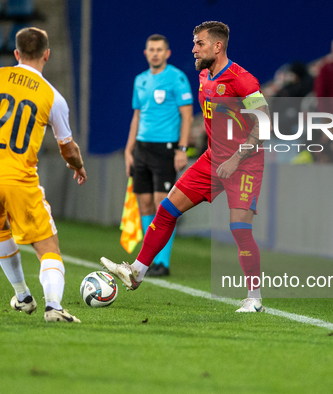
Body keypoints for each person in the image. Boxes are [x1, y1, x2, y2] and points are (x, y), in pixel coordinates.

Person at [102, 21, 269, 313]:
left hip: (245, 164)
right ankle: (137, 271)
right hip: (212, 159)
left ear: (218, 46)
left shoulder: (243, 80)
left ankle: (254, 298)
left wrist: (235, 158)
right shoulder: (204, 75)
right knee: (167, 210)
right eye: (194, 43)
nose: (193, 49)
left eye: (199, 43)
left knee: (240, 229)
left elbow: (264, 123)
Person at [0, 27, 86, 323]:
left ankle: (23, 296)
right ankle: (53, 306)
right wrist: (77, 166)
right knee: (47, 247)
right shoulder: (53, 96)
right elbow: (68, 147)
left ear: (17, 54)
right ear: (47, 55)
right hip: (18, 181)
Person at [125, 34, 193, 277]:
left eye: (159, 49)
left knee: (161, 205)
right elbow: (137, 116)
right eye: (151, 49)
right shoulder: (140, 80)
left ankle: (161, 263)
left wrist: (182, 149)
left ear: (167, 53)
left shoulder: (177, 78)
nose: (155, 53)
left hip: (165, 148)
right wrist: (128, 150)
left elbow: (187, 115)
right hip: (141, 149)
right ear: (146, 53)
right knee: (144, 204)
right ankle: (148, 261)